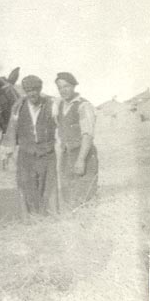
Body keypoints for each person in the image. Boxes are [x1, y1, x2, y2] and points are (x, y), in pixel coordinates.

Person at [0, 75, 58, 216]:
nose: (32, 93)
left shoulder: (51, 104)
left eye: (35, 90)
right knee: (27, 186)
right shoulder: (18, 107)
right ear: (25, 91)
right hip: (26, 154)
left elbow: (59, 126)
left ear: (40, 89)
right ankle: (31, 219)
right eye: (29, 90)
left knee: (48, 187)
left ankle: (50, 219)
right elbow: (11, 129)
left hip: (47, 154)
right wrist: (6, 152)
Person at [54, 72, 98, 210]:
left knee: (84, 194)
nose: (63, 90)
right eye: (60, 87)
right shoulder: (60, 106)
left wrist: (81, 159)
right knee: (68, 193)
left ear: (74, 86)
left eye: (66, 86)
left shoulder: (84, 106)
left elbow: (88, 135)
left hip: (82, 154)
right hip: (67, 155)